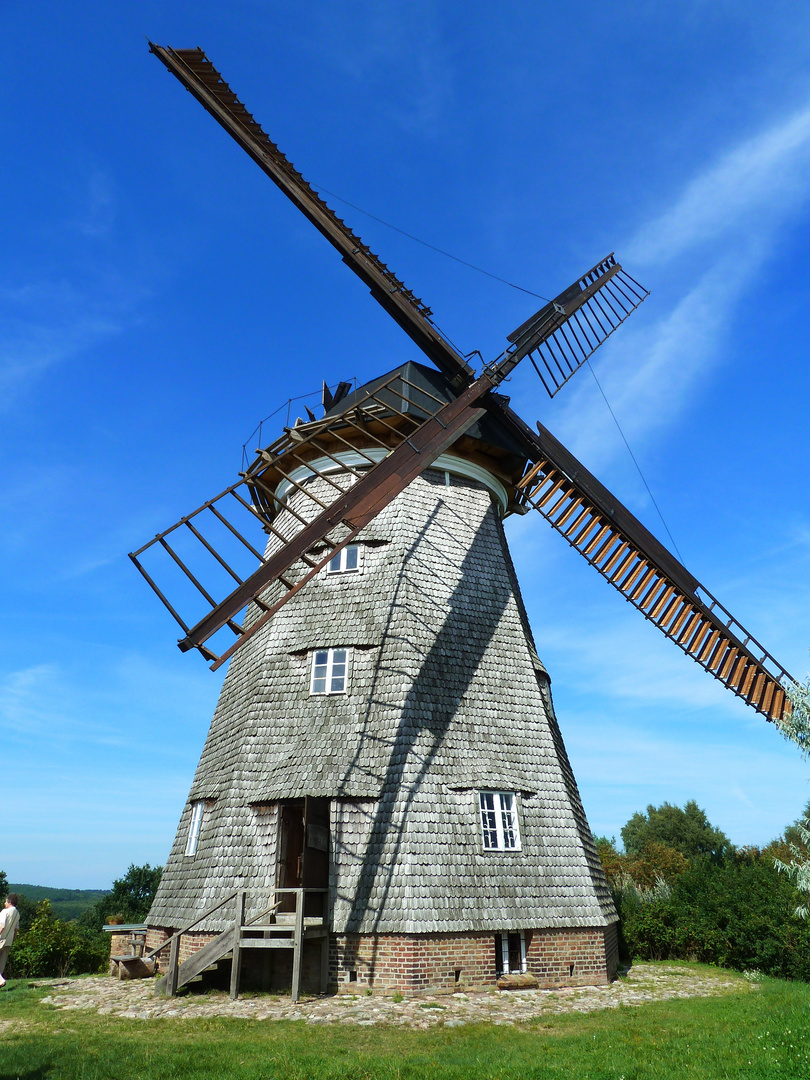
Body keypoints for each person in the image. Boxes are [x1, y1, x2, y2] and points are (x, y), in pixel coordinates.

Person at [0, 894, 20, 987]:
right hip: (9, 941)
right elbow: (16, 929)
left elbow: (2, 925)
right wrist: (13, 938)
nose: (4, 903)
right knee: (2, 963)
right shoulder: (17, 913)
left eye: (5, 901)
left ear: (9, 902)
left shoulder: (5, 911)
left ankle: (1, 980)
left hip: (1, 939)